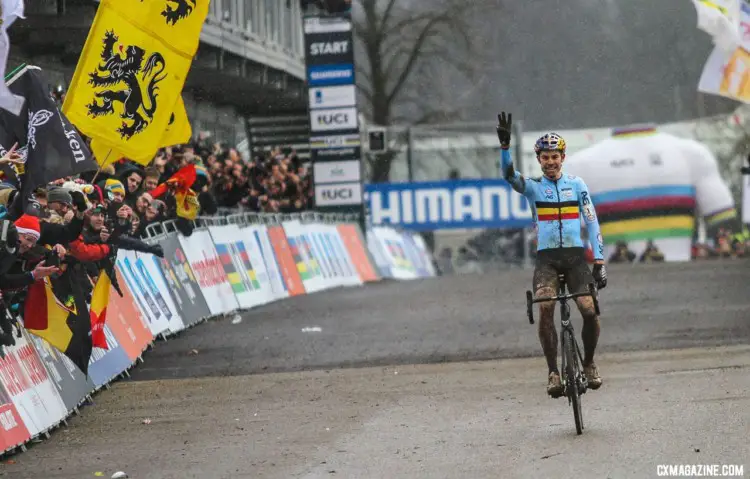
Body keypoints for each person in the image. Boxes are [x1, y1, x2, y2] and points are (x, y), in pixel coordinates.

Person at [495, 111, 607, 398]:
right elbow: (509, 175)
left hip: (575, 259)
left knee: (589, 311)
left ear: (563, 157)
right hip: (546, 260)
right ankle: (553, 372)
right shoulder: (533, 188)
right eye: (545, 157)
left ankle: (590, 363)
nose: (550, 162)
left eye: (555, 156)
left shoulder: (577, 185)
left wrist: (599, 260)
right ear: (539, 160)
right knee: (545, 307)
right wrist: (505, 149)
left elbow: (591, 220)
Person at [563, 125, 738, 261]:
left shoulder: (580, 164)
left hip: (614, 281)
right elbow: (723, 218)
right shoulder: (693, 153)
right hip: (686, 275)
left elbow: (563, 235)